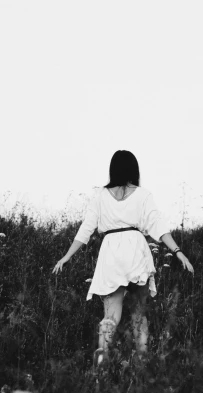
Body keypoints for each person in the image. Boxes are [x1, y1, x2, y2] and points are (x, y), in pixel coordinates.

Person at [52, 150, 194, 368]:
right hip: (136, 251)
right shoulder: (143, 195)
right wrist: (178, 252)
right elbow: (158, 226)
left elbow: (85, 230)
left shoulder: (100, 196)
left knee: (110, 315)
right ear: (133, 169)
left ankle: (100, 364)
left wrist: (66, 257)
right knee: (139, 313)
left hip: (110, 253)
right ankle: (142, 363)